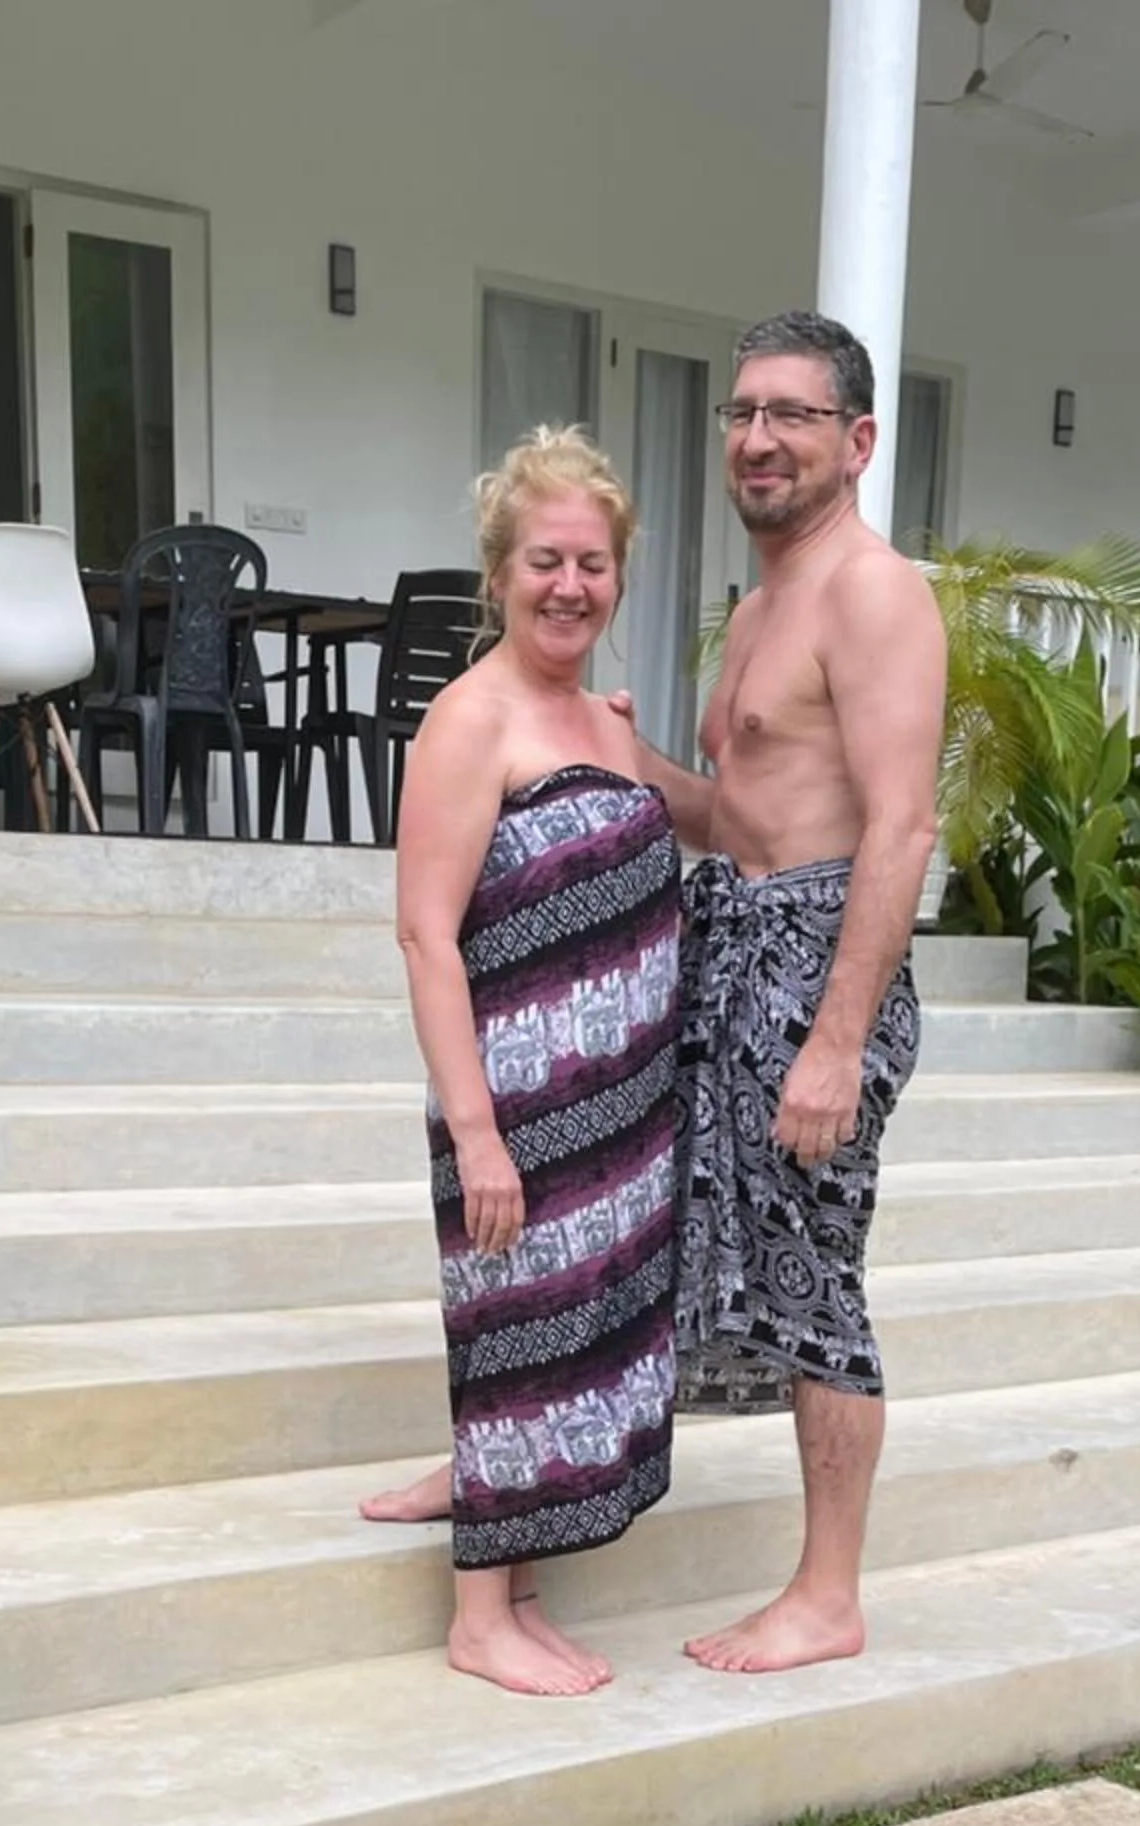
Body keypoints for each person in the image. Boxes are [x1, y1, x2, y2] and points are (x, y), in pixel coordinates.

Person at [370, 309, 942, 1675]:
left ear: (856, 441)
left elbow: (901, 827)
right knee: (600, 1243)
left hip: (809, 968)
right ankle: (498, 1462)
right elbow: (735, 812)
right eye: (741, 412)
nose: (756, 438)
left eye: (791, 415)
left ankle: (826, 1591)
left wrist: (836, 1039)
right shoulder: (755, 609)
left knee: (810, 1276)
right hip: (724, 951)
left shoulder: (872, 592)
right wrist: (630, 769)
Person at [375, 427, 683, 1697]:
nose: (571, 585)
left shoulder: (603, 723)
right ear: (500, 572)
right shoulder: (470, 717)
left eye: (594, 563)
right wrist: (478, 1129)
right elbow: (424, 932)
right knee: (512, 1334)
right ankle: (477, 1618)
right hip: (516, 1098)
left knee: (563, 1340)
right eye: (546, 560)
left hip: (616, 1113)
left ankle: (529, 1592)